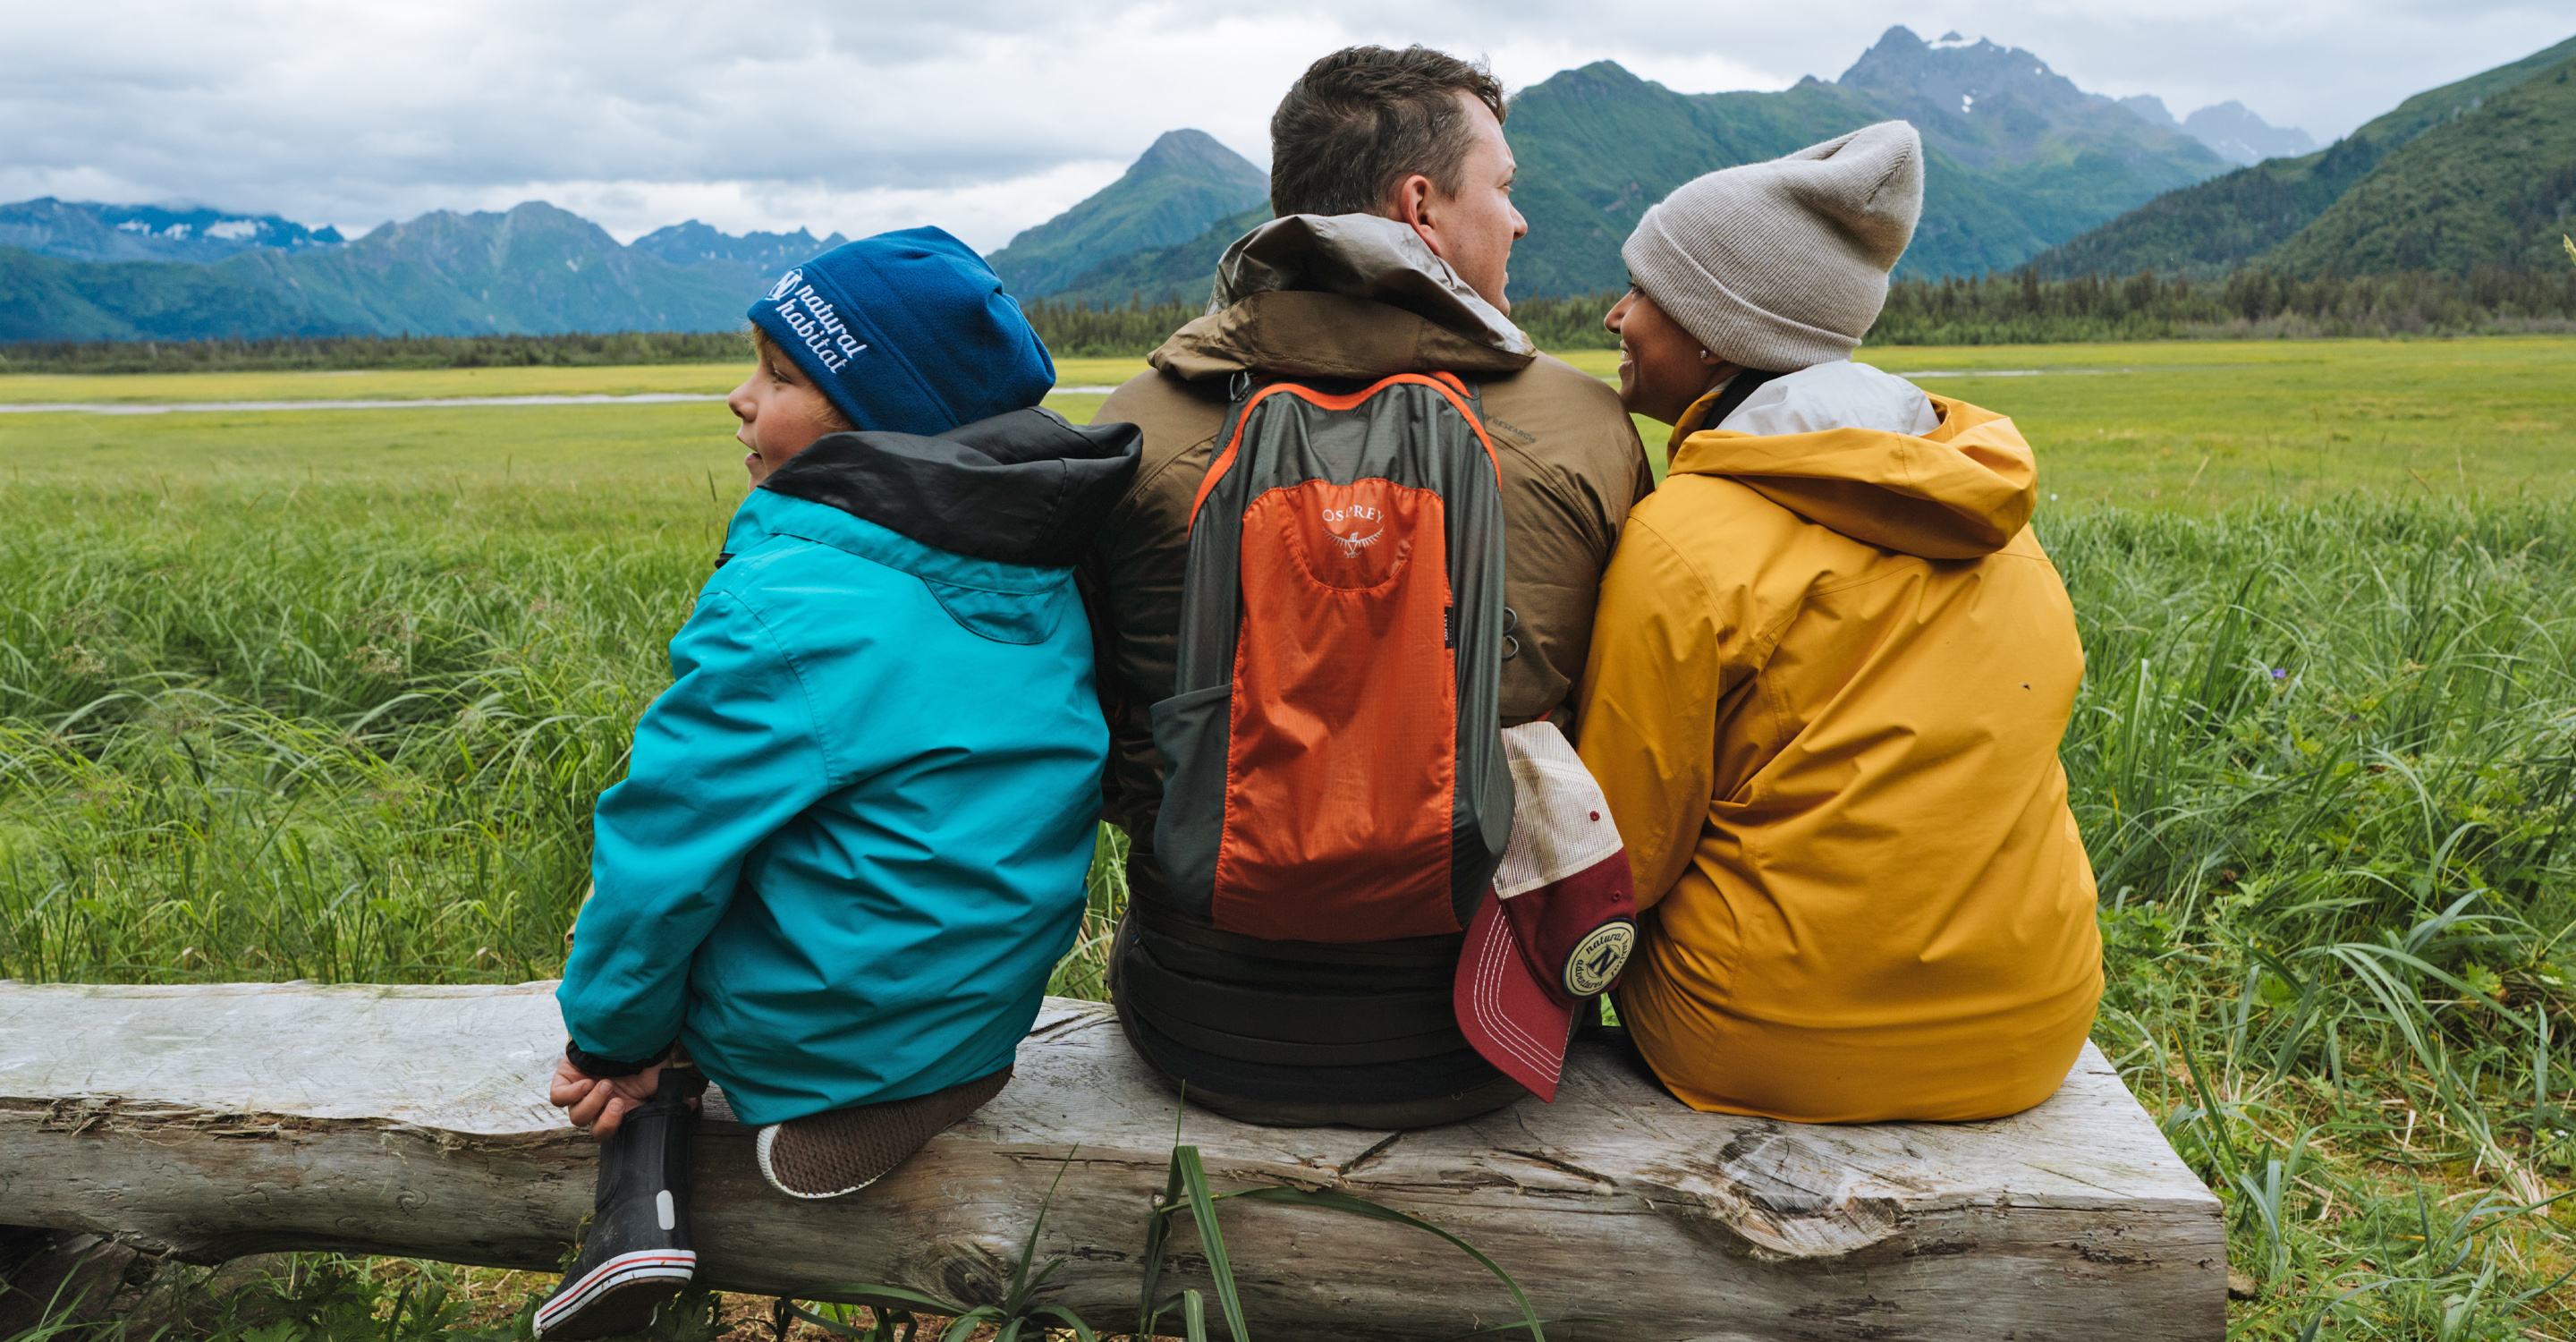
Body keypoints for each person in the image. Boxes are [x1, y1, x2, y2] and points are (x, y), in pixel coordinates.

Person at [535, 229, 1140, 1338]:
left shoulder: (801, 596)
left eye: (779, 374)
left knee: (672, 913)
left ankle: (674, 1122)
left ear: (878, 424)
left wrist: (610, 1039)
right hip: (977, 1013)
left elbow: (668, 844)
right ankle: (927, 1072)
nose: (739, 398)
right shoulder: (1035, 551)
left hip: (819, 1041)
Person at [1091, 45, 1657, 1128]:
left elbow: (1098, 736)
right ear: (1422, 204)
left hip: (1197, 1026)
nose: (1521, 220)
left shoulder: (1132, 427)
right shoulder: (1586, 427)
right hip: (1483, 1033)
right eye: (1505, 187)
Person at [1575, 122, 2105, 1124]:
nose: (1616, 315)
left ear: (1714, 332)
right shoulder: (1994, 519)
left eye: (1642, 291)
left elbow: (1626, 857)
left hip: (1762, 1038)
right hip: (2032, 1030)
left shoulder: (1684, 536)